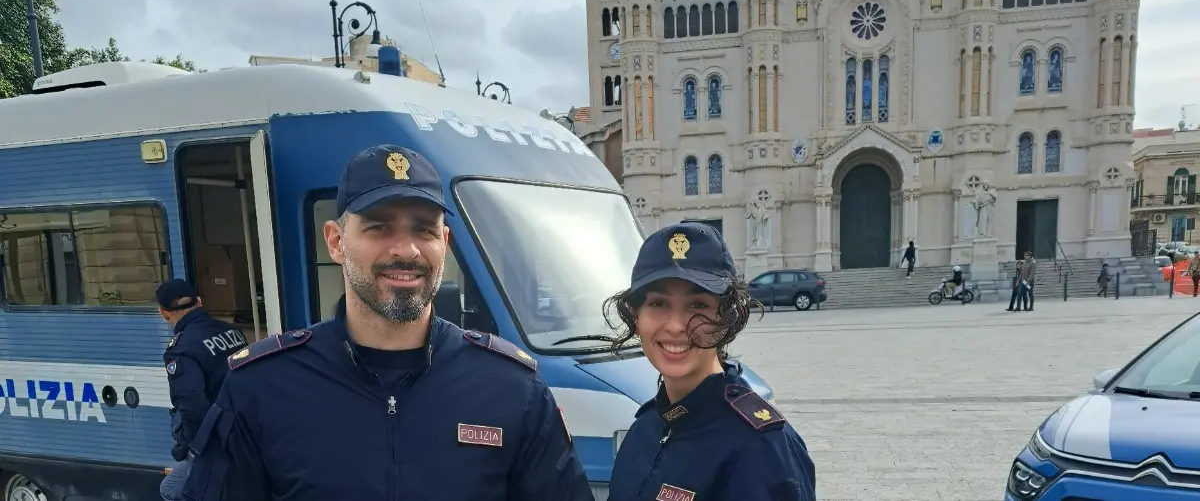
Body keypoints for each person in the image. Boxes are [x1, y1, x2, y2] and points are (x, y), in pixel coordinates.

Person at [181, 144, 593, 501]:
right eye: (379, 227)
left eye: (423, 229)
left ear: (444, 243)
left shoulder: (511, 388)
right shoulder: (262, 388)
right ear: (336, 241)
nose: (407, 249)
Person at [602, 221, 817, 501]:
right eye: (658, 303)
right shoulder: (646, 427)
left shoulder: (762, 447)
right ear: (636, 316)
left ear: (726, 317)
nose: (677, 326)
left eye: (698, 305)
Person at [157, 279, 248, 501]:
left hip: (215, 445)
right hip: (246, 433)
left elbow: (193, 407)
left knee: (178, 493)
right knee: (170, 487)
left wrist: (196, 454)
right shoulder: (233, 332)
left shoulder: (181, 349)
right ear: (199, 302)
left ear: (164, 313)